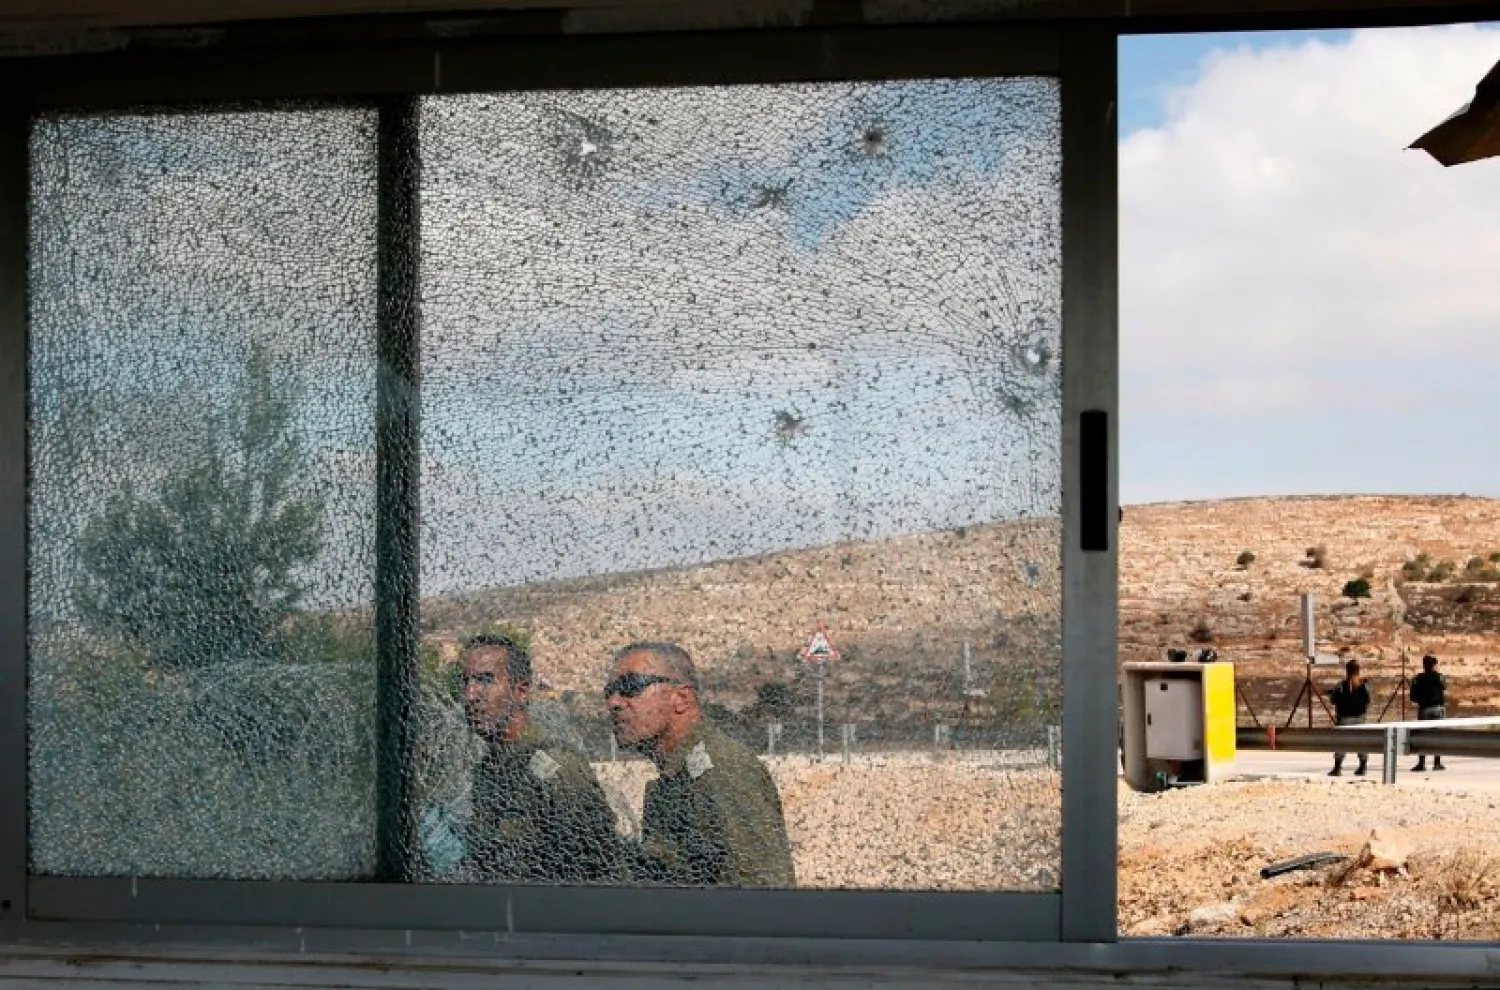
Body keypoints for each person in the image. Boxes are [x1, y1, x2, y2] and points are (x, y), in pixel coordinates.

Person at [605, 641, 795, 887]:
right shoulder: (679, 773)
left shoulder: (722, 770)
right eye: (608, 692)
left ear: (681, 698)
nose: (614, 703)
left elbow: (762, 891)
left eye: (630, 687)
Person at [459, 633, 623, 883]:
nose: (470, 695)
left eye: (485, 680)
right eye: (465, 682)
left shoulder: (554, 769)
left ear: (521, 691)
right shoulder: (488, 771)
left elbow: (595, 870)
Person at [1328, 658, 1372, 777]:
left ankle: (1337, 768)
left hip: (1344, 717)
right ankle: (1362, 767)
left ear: (1347, 671)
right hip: (1360, 717)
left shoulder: (1341, 685)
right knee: (1361, 742)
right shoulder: (1365, 685)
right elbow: (1369, 700)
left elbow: (1333, 700)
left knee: (1341, 742)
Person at [1410, 653, 1448, 772]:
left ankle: (1421, 763)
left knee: (1422, 736)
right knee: (1438, 736)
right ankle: (1437, 762)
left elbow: (1413, 696)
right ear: (1434, 665)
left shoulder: (1417, 679)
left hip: (1424, 709)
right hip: (1437, 709)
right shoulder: (1439, 677)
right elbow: (1444, 686)